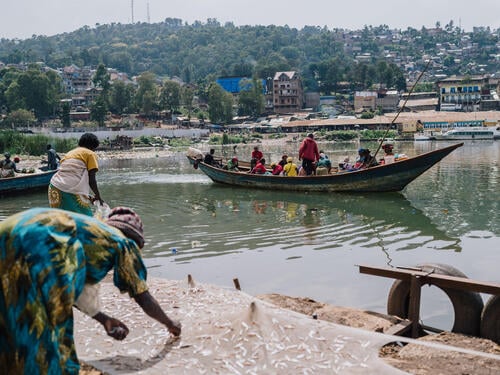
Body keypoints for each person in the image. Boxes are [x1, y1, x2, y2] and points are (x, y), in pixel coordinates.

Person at [0, 207, 181, 375]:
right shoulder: (123, 242)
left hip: (8, 232)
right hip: (39, 241)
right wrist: (170, 323)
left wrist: (104, 320)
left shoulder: (91, 232)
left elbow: (72, 289)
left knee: (10, 311)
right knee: (46, 327)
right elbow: (142, 296)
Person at [48, 133, 103, 216]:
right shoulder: (90, 154)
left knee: (62, 220)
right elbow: (91, 179)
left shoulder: (70, 153)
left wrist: (87, 196)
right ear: (92, 147)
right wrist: (98, 196)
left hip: (54, 186)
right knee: (86, 220)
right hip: (69, 188)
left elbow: (71, 175)